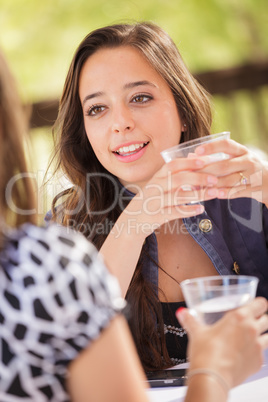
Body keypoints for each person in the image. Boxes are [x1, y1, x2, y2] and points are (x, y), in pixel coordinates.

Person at [0, 47, 268, 402]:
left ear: (183, 112)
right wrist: (137, 219)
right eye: (97, 108)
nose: (120, 122)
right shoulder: (64, 232)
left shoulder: (249, 193)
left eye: (140, 97)